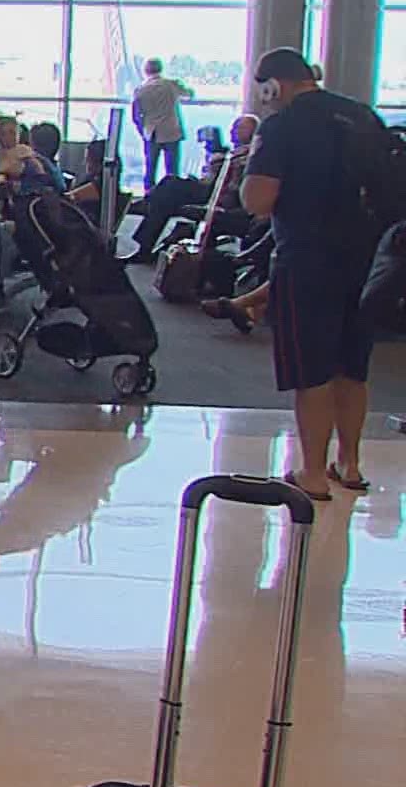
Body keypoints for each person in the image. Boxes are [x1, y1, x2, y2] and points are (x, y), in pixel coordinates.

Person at [241, 47, 383, 500]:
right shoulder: (363, 117)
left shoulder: (282, 127)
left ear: (271, 85)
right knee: (352, 366)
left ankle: (314, 473)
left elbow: (258, 201)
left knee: (312, 371)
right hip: (367, 259)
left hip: (308, 260)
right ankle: (351, 463)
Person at [132, 113, 259, 260]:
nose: (232, 130)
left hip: (217, 194)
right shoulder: (232, 151)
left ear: (252, 132)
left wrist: (222, 165)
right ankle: (145, 239)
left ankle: (145, 214)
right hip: (210, 187)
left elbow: (232, 186)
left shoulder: (248, 154)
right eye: (233, 126)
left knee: (169, 186)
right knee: (165, 195)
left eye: (239, 127)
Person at [132, 58, 194, 189]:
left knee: (150, 169)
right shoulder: (171, 85)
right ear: (161, 68)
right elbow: (189, 94)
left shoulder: (140, 90)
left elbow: (136, 116)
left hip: (151, 133)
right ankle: (171, 197)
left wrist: (142, 131)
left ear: (145, 71)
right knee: (172, 170)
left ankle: (148, 196)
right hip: (171, 131)